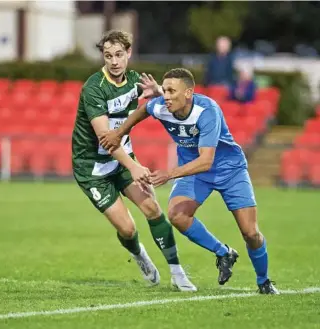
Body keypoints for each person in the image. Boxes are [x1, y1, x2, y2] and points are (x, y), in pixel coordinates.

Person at [99, 68, 279, 294]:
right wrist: (119, 133)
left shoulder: (207, 111)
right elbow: (144, 109)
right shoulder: (161, 106)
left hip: (229, 170)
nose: (165, 96)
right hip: (195, 173)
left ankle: (264, 281)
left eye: (172, 90)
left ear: (188, 93)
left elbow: (206, 161)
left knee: (250, 233)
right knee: (177, 216)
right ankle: (224, 253)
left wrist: (169, 174)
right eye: (164, 90)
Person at [71, 30, 196, 291]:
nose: (114, 61)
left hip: (122, 159)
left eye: (119, 55)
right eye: (108, 56)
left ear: (128, 53)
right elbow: (106, 139)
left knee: (152, 209)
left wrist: (159, 92)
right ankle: (139, 254)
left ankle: (177, 273)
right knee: (127, 230)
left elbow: (175, 105)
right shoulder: (94, 88)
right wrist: (134, 166)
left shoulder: (135, 81)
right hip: (92, 168)